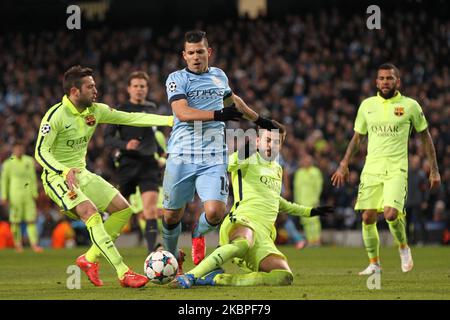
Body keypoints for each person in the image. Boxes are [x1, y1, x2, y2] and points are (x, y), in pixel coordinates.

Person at [34, 65, 173, 288]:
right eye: (90, 87)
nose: (95, 90)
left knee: (123, 209)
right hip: (57, 177)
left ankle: (89, 259)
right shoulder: (55, 116)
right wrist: (63, 170)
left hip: (82, 174)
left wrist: (169, 120)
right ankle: (123, 271)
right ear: (74, 91)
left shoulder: (95, 111)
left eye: (95, 85)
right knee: (91, 213)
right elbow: (41, 152)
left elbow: (130, 118)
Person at [161, 30, 277, 271]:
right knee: (172, 216)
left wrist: (259, 120)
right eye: (190, 53)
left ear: (209, 52)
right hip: (182, 154)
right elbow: (182, 112)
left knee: (215, 212)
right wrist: (217, 114)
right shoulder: (177, 79)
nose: (195, 57)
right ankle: (172, 260)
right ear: (184, 55)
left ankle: (197, 232)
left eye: (200, 52)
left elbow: (233, 100)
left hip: (213, 155)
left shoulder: (219, 76)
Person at [172, 121, 334, 288]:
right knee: (243, 243)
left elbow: (277, 201)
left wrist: (311, 211)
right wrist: (246, 150)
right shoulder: (248, 157)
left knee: (284, 276)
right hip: (242, 220)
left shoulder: (277, 169)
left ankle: (218, 279)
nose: (272, 145)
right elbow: (228, 164)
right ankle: (192, 275)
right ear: (258, 141)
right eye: (268, 140)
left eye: (277, 142)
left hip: (264, 235)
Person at [331, 63, 441, 275]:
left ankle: (403, 247)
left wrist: (434, 169)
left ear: (397, 82)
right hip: (371, 169)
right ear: (376, 82)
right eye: (381, 78)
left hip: (396, 169)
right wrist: (344, 164)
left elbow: (425, 137)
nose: (385, 82)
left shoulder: (410, 106)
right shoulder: (367, 106)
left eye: (389, 78)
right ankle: (374, 264)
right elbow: (357, 138)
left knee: (391, 214)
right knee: (367, 217)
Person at [104, 71, 166, 253]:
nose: (139, 89)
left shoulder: (152, 108)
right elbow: (108, 137)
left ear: (147, 89)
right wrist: (125, 144)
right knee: (119, 210)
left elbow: (153, 135)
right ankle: (103, 246)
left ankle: (152, 251)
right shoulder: (120, 109)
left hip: (148, 164)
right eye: (136, 86)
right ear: (129, 89)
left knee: (150, 210)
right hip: (128, 164)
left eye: (143, 86)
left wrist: (161, 153)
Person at [1, 141, 42, 252]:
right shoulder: (8, 163)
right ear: (13, 149)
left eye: (21, 148)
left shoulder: (29, 161)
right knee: (15, 221)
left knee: (31, 220)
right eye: (17, 148)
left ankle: (34, 244)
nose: (19, 150)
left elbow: (33, 178)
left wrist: (35, 193)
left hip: (28, 195)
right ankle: (18, 244)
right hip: (15, 196)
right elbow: (4, 181)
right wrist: (4, 196)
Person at [293, 154, 323, 246]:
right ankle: (310, 240)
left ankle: (317, 239)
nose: (305, 162)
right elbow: (296, 187)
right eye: (304, 160)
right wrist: (297, 200)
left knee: (314, 221)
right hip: (301, 201)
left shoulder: (315, 172)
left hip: (312, 200)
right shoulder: (299, 172)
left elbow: (318, 186)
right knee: (305, 222)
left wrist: (316, 198)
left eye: (307, 160)